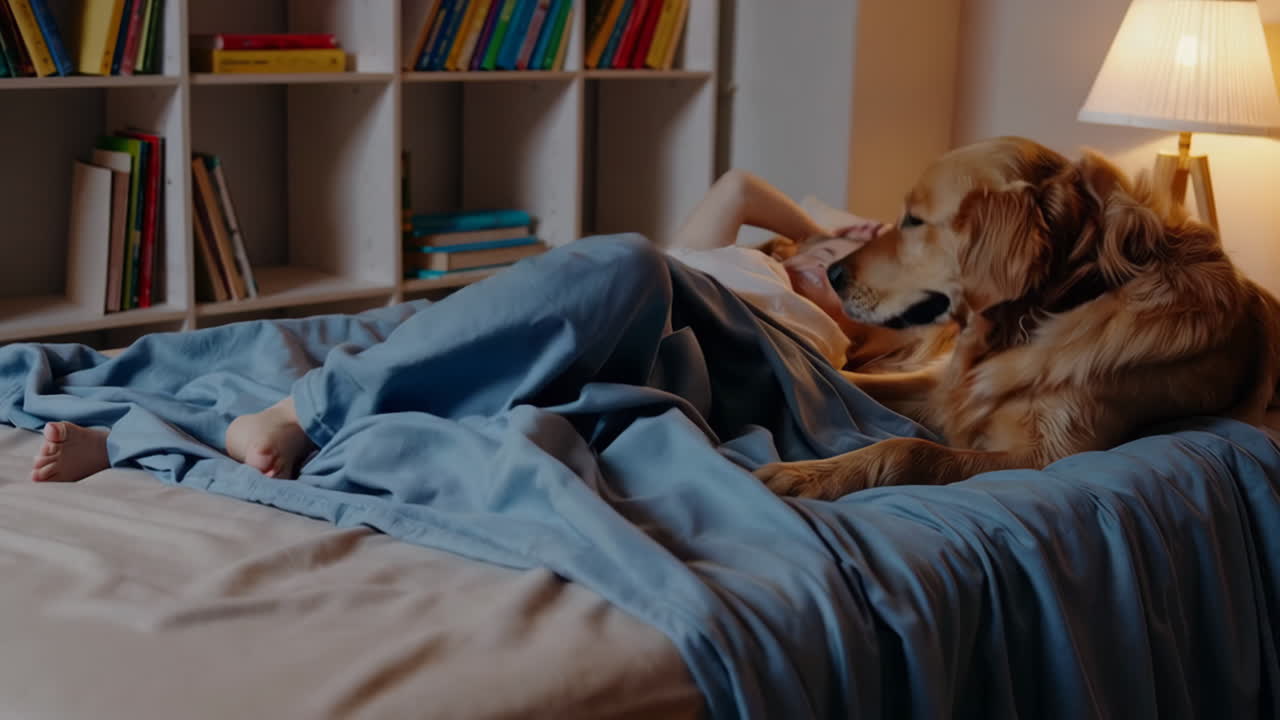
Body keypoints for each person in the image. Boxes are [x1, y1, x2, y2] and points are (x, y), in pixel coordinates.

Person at [30, 170, 919, 484]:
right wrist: (828, 224)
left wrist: (866, 294)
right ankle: (162, 440)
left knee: (626, 260)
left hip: (710, 345)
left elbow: (893, 388)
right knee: (422, 341)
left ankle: (297, 416)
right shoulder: (760, 249)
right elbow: (734, 188)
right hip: (602, 319)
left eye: (863, 273)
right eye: (836, 250)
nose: (843, 266)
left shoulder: (840, 336)